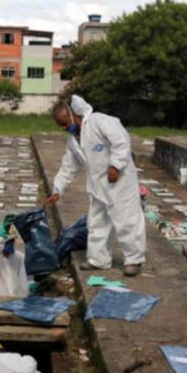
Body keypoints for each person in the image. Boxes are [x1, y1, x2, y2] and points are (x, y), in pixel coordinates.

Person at [45, 95, 146, 277]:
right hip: (97, 186)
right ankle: (99, 260)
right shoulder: (74, 141)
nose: (64, 127)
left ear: (74, 114)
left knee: (127, 220)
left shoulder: (100, 122)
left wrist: (115, 165)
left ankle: (134, 259)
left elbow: (121, 140)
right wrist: (57, 189)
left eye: (65, 122)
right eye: (60, 125)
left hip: (120, 183)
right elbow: (69, 166)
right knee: (97, 223)